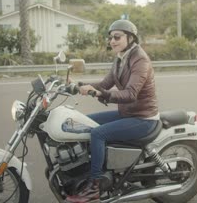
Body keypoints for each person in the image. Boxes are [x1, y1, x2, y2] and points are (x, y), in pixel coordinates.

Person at [65, 19, 160, 203]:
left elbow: (131, 93)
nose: (112, 41)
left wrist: (102, 93)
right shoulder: (121, 58)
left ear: (130, 38)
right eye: (110, 38)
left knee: (98, 134)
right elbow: (104, 84)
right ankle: (87, 171)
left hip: (144, 119)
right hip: (128, 113)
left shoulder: (140, 59)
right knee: (82, 122)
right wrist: (78, 86)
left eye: (117, 37)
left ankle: (94, 187)